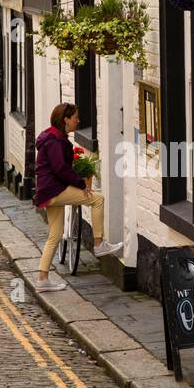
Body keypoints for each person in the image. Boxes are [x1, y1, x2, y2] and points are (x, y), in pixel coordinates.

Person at [34, 103, 121, 291]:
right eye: (75, 118)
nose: (78, 121)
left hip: (47, 191)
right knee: (97, 199)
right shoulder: (56, 141)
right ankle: (98, 243)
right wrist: (81, 184)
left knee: (55, 235)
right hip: (55, 189)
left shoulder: (51, 136)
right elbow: (60, 169)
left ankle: (42, 278)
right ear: (66, 119)